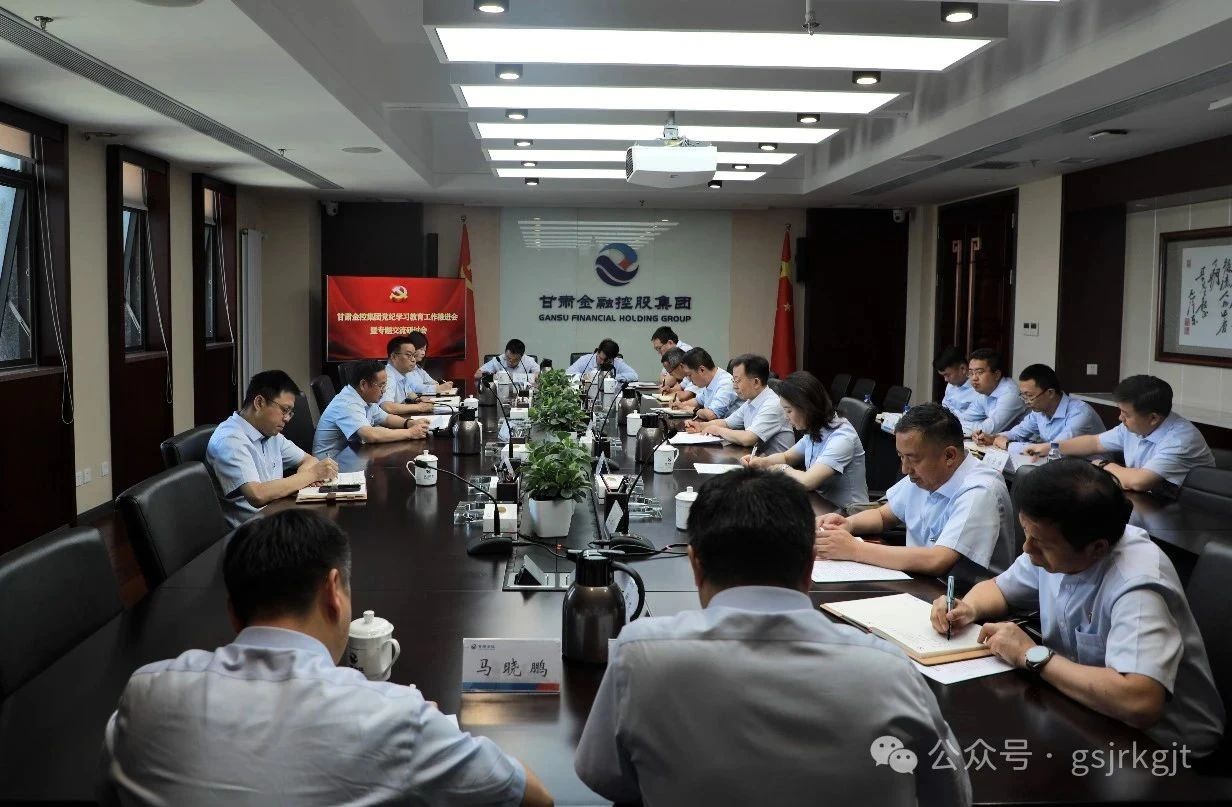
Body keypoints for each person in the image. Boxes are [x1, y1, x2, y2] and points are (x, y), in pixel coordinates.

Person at [99, 510, 555, 805]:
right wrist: (434, 728)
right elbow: (533, 797)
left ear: (233, 612)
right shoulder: (395, 718)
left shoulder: (146, 693)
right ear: (334, 592)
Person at [574, 469, 971, 807]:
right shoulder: (890, 670)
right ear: (810, 565)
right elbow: (950, 794)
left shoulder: (640, 656)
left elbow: (605, 778)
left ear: (695, 564)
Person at [931, 459, 1225, 757]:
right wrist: (967, 607)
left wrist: (1030, 655)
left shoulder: (1137, 583)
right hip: (1084, 710)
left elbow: (1139, 702)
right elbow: (1001, 589)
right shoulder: (1056, 545)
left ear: (1097, 548)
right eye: (1026, 533)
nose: (1027, 548)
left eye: (1039, 542)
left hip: (1164, 748)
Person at [815, 403, 1015, 577]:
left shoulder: (981, 490)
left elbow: (937, 560)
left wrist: (854, 549)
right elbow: (884, 516)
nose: (905, 469)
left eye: (912, 459)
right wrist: (848, 524)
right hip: (919, 579)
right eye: (901, 457)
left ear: (949, 456)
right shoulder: (925, 475)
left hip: (964, 597)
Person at [1025, 374, 1214, 491]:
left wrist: (1105, 465)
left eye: (1126, 414)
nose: (1120, 418)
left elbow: (1139, 481)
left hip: (1190, 516)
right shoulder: (1135, 426)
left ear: (1153, 418)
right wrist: (1050, 447)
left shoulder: (1180, 439)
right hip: (1148, 502)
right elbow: (1094, 442)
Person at [206, 371, 339, 527]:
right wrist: (311, 475)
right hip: (252, 531)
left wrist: (303, 478)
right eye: (284, 410)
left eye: (290, 413)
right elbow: (257, 495)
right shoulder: (230, 440)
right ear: (259, 403)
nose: (287, 418)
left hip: (278, 518)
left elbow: (309, 459)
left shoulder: (269, 433)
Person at [742, 371, 869, 510]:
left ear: (807, 407)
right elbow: (787, 457)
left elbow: (808, 481)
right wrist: (762, 462)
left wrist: (780, 468)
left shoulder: (842, 437)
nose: (786, 417)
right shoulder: (817, 428)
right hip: (821, 505)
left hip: (849, 514)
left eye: (789, 411)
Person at [973, 363, 1104, 454]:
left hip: (1090, 471)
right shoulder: (1039, 412)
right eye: (1023, 395)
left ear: (1050, 393)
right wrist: (992, 437)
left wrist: (1009, 445)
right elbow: (1017, 433)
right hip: (1059, 465)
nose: (1026, 402)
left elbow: (1055, 448)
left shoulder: (1080, 414)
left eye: (1029, 396)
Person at [313, 360, 430, 458]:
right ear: (363, 385)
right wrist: (410, 433)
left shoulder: (364, 397)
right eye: (381, 385)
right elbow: (370, 435)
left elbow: (386, 418)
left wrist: (410, 423)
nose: (384, 390)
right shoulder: (347, 404)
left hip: (351, 455)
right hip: (331, 465)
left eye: (385, 385)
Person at [685, 353, 794, 455]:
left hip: (777, 466)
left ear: (756, 382)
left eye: (737, 381)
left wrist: (717, 430)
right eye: (733, 381)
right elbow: (727, 423)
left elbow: (748, 438)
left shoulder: (772, 405)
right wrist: (700, 426)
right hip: (757, 459)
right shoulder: (751, 401)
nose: (734, 386)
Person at [961, 348, 1026, 434]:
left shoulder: (1010, 395)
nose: (974, 378)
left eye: (979, 372)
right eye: (971, 373)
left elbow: (987, 431)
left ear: (996, 375)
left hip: (1028, 441)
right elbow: (964, 418)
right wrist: (979, 426)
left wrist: (977, 426)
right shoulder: (985, 391)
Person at [670, 347, 737, 420]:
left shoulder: (725, 383)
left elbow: (711, 414)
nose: (689, 380)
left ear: (702, 370)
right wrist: (680, 405)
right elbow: (698, 400)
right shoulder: (710, 381)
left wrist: (691, 409)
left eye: (690, 375)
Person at [380, 336, 436, 417]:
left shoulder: (401, 373)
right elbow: (387, 407)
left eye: (414, 355)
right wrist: (419, 407)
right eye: (409, 355)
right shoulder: (387, 376)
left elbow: (408, 392)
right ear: (393, 357)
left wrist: (417, 399)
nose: (413, 360)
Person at [934, 346, 981, 421]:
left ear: (962, 368)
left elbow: (970, 419)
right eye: (943, 376)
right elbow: (944, 408)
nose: (945, 380)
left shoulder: (979, 388)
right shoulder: (951, 385)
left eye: (947, 375)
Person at [565, 338, 638, 383]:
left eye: (607, 361)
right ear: (597, 352)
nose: (602, 362)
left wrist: (610, 377)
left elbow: (634, 376)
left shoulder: (617, 362)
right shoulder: (585, 359)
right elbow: (567, 374)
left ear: (613, 358)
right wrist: (585, 376)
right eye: (601, 358)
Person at [407, 331, 455, 396]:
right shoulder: (405, 368)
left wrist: (441, 385)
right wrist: (438, 388)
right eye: (421, 349)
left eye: (424, 350)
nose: (423, 353)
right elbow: (416, 388)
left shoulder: (417, 368)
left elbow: (430, 381)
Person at [475, 338, 540, 382]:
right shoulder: (498, 360)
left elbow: (540, 376)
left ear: (521, 357)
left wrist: (515, 377)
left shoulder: (528, 360)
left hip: (522, 394)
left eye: (515, 360)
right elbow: (477, 375)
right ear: (505, 353)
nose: (511, 361)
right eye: (508, 358)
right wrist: (496, 377)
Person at [650, 326, 692, 392]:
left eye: (659, 348)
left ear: (670, 343)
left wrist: (668, 380)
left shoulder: (685, 351)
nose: (658, 352)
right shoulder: (669, 355)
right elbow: (661, 377)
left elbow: (667, 382)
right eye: (656, 349)